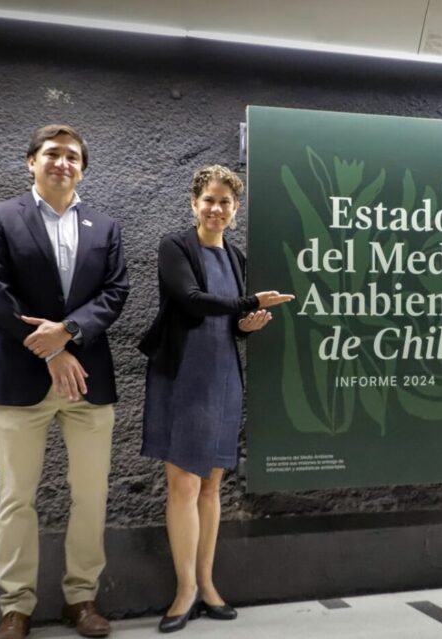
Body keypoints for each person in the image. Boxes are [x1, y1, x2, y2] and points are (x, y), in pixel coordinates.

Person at [0, 124, 129, 639]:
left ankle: (81, 598)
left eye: (72, 156)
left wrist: (70, 333)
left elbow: (115, 292)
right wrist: (53, 351)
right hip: (19, 380)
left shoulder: (104, 227)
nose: (63, 162)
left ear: (82, 168)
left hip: (87, 382)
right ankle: (15, 607)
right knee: (16, 497)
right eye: (52, 153)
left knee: (92, 495)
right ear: (31, 161)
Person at [138, 165, 293, 633]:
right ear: (194, 203)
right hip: (181, 376)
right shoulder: (176, 247)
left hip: (223, 377)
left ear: (235, 209)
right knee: (184, 485)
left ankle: (206, 585)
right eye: (209, 199)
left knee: (211, 487)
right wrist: (249, 304)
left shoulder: (236, 257)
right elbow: (191, 300)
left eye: (225, 202)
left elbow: (227, 323)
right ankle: (184, 589)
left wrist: (246, 325)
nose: (216, 208)